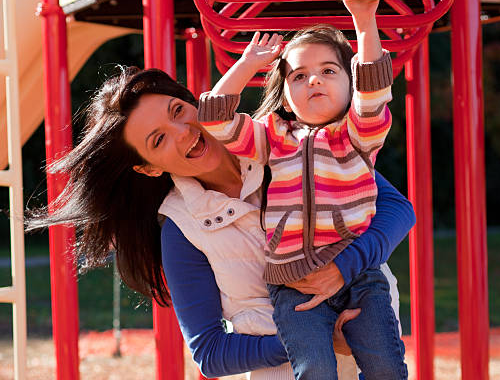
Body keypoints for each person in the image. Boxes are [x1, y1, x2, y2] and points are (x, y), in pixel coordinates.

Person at [25, 70, 415, 377]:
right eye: (158, 140)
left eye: (178, 111)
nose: (183, 133)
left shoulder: (282, 140)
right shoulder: (182, 230)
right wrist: (314, 336)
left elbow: (398, 209)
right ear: (147, 168)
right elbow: (209, 353)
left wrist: (342, 270)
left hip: (374, 357)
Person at [199, 0, 408, 379]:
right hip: (292, 279)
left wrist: (364, 20)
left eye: (329, 71)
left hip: (360, 276)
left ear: (350, 86)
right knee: (314, 369)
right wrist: (247, 65)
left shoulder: (358, 134)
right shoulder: (273, 137)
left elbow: (375, 90)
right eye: (299, 76)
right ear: (285, 95)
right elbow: (216, 119)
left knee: (385, 366)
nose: (314, 80)